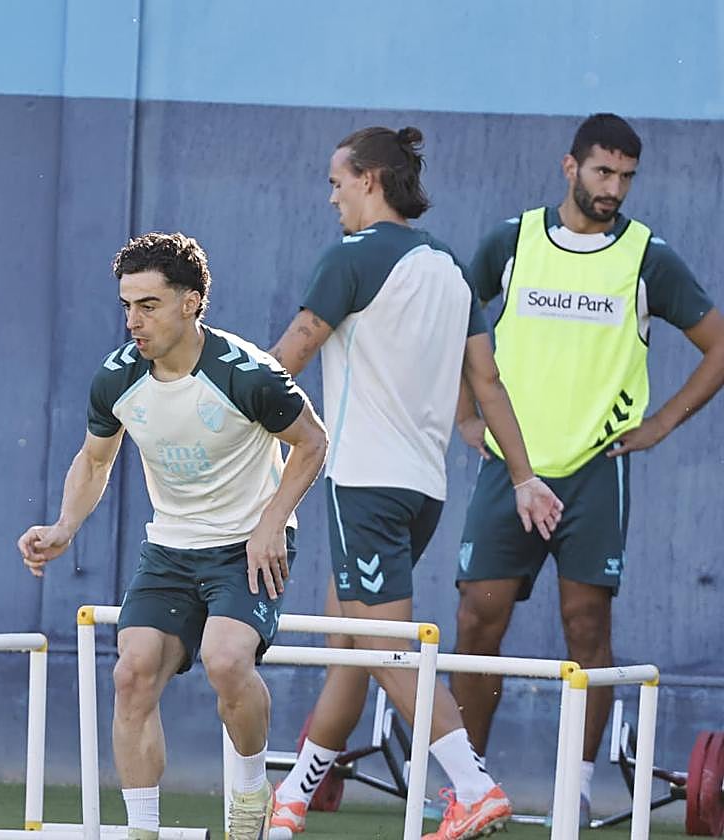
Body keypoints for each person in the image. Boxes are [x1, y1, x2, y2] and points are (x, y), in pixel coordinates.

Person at [265, 126, 564, 840]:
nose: (331, 194)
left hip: (362, 481)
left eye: (338, 180)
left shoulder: (352, 257)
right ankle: (291, 803)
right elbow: (486, 382)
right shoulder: (453, 267)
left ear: (369, 179)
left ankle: (472, 784)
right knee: (353, 648)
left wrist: (222, 412)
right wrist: (523, 476)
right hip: (422, 492)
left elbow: (289, 356)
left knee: (379, 646)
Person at [450, 112, 724, 824]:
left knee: (586, 630)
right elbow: (452, 316)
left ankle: (573, 789)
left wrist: (663, 423)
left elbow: (718, 344)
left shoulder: (646, 257)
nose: (615, 188)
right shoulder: (511, 242)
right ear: (568, 167)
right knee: (477, 625)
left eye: (627, 176)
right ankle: (469, 790)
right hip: (513, 466)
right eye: (604, 172)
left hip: (596, 470)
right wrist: (465, 416)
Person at [17, 232, 329, 840]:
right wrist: (64, 526)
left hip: (247, 545)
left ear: (190, 303)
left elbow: (312, 442)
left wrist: (271, 523)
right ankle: (142, 833)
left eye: (149, 305)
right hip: (171, 547)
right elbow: (94, 460)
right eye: (126, 306)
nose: (133, 321)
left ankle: (248, 796)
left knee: (226, 658)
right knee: (130, 674)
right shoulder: (117, 379)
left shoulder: (249, 375)